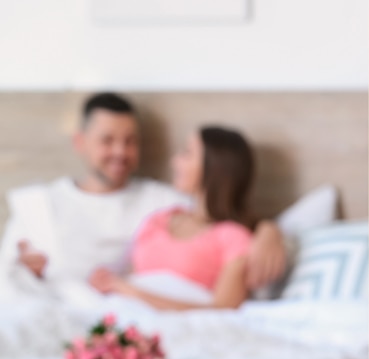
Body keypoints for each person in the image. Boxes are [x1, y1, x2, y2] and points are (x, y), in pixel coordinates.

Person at [0, 92, 285, 297]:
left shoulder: (163, 204)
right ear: (80, 142)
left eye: (130, 141)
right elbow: (7, 280)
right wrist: (28, 275)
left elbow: (222, 213)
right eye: (107, 140)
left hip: (124, 311)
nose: (120, 152)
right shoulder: (40, 206)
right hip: (55, 308)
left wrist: (269, 231)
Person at [89, 126, 258, 310]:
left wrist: (131, 292)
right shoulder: (157, 220)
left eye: (187, 153)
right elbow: (132, 281)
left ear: (215, 167)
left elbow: (224, 309)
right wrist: (110, 284)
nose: (174, 161)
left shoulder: (233, 237)